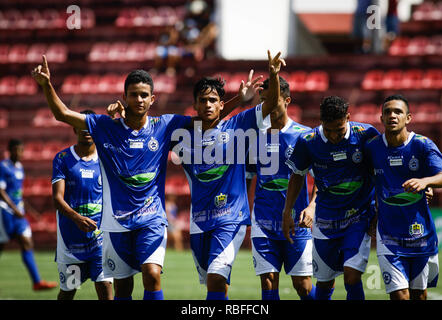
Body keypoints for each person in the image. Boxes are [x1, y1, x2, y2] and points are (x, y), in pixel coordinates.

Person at [31, 55, 260, 300]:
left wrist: (239, 100)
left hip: (152, 219)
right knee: (123, 288)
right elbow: (63, 114)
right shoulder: (105, 126)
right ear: (125, 97)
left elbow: (207, 118)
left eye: (143, 95)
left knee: (151, 275)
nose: (138, 99)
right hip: (115, 223)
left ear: (152, 99)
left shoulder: (166, 125)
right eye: (133, 94)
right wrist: (46, 85)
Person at [170, 51, 283, 300]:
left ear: (221, 104)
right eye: (203, 100)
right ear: (196, 105)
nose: (208, 104)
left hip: (231, 218)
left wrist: (273, 76)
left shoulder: (237, 126)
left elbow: (272, 104)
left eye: (213, 100)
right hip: (199, 222)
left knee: (216, 278)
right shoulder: (181, 134)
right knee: (216, 282)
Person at [283, 96, 379, 300]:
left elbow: (382, 169)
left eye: (339, 129)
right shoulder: (308, 141)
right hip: (326, 220)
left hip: (358, 216)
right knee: (325, 281)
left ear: (348, 117)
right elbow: (297, 175)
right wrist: (287, 211)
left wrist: (379, 211)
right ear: (321, 122)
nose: (334, 136)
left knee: (352, 276)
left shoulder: (366, 134)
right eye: (329, 130)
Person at [363, 94, 442, 300]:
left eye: (398, 112)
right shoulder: (372, 147)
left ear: (408, 118)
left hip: (420, 235)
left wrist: (425, 182)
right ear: (381, 118)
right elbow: (366, 180)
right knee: (400, 296)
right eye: (387, 112)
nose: (392, 115)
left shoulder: (422, 144)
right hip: (388, 236)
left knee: (419, 295)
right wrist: (372, 210)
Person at [245, 76, 317, 300]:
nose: (266, 106)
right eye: (262, 101)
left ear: (287, 100)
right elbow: (247, 177)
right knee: (268, 283)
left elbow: (323, 179)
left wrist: (313, 207)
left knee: (303, 286)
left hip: (297, 222)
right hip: (264, 221)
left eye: (272, 100)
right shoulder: (254, 137)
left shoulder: (305, 136)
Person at [52, 109, 113, 300]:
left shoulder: (107, 158)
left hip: (99, 240)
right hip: (72, 243)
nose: (86, 130)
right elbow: (57, 198)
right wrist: (76, 218)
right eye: (81, 126)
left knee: (105, 287)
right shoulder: (62, 159)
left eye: (89, 126)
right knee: (69, 290)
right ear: (73, 128)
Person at [0, 139, 57, 291]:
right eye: (17, 150)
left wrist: (24, 206)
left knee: (27, 243)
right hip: (5, 211)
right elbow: (1, 191)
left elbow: (16, 192)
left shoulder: (19, 167)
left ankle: (37, 282)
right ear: (10, 150)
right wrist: (14, 208)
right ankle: (37, 282)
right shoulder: (3, 167)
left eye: (22, 150)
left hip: (19, 213)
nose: (20, 153)